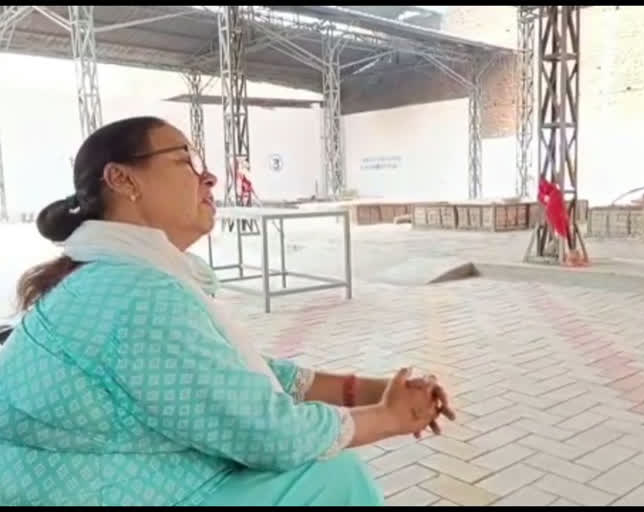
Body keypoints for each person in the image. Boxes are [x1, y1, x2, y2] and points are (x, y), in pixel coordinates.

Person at [0, 116, 455, 506]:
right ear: (122, 179)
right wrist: (390, 417)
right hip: (95, 488)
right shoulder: (137, 293)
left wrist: (374, 391)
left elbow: (230, 377)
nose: (209, 177)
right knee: (330, 478)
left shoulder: (112, 274)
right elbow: (270, 435)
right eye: (185, 160)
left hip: (78, 478)